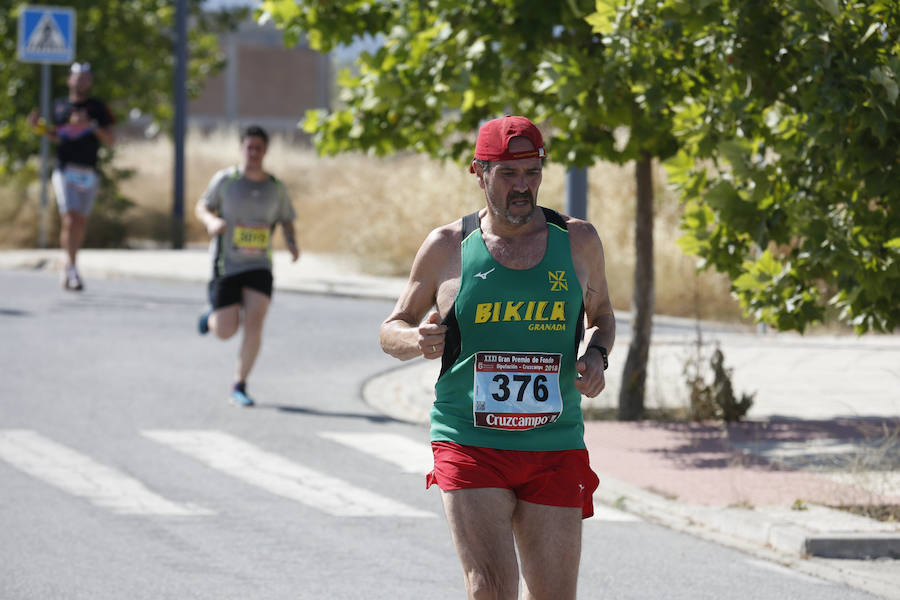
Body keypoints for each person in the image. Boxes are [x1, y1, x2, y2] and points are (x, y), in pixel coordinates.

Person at [379, 115, 615, 600]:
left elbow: (603, 315)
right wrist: (416, 341)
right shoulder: (447, 247)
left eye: (532, 172)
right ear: (478, 172)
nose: (523, 187)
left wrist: (597, 355)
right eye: (508, 174)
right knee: (490, 589)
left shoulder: (577, 241)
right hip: (470, 439)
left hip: (554, 439)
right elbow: (392, 327)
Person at [195, 125, 299, 407]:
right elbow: (202, 206)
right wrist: (211, 222)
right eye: (248, 147)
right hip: (226, 264)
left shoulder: (275, 187)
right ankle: (211, 316)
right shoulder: (226, 180)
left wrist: (291, 243)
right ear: (241, 149)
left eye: (258, 148)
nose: (253, 153)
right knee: (226, 331)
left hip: (259, 265)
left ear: (265, 151)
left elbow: (286, 218)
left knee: (255, 323)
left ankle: (239, 383)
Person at [28, 62, 115, 291]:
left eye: (86, 78)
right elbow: (56, 136)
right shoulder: (59, 107)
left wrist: (91, 125)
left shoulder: (97, 107)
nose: (82, 81)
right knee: (70, 218)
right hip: (65, 169)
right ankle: (73, 268)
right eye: (78, 77)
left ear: (91, 82)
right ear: (69, 80)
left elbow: (110, 140)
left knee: (80, 222)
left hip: (89, 172)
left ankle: (67, 262)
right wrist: (38, 128)